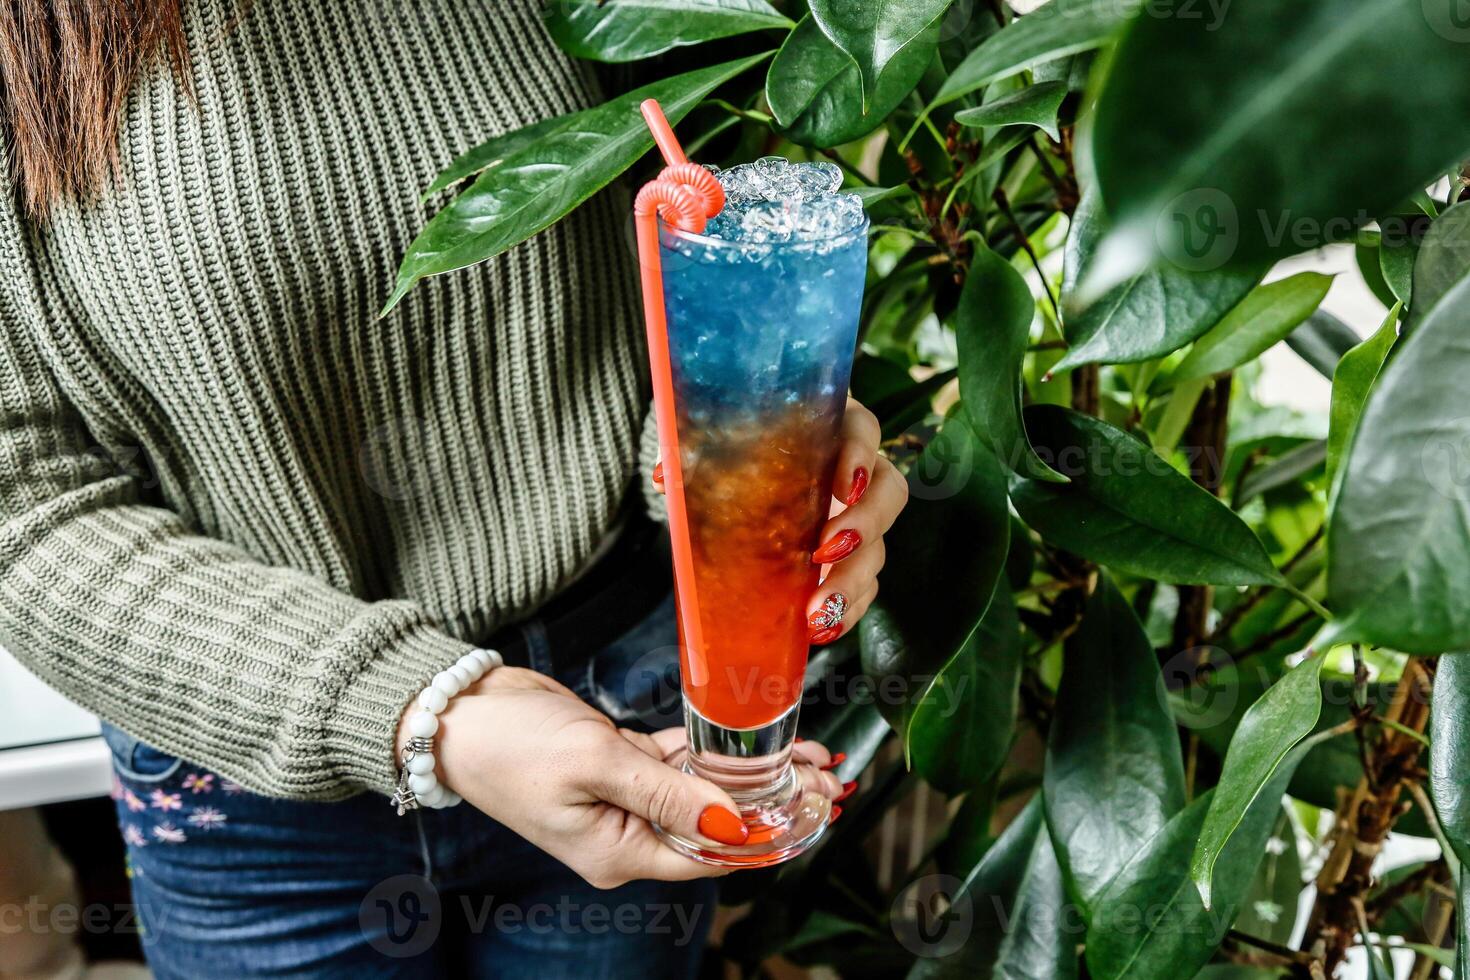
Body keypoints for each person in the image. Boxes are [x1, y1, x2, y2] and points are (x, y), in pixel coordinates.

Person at [0, 2, 908, 978]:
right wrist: (426, 713)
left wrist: (721, 459)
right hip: (246, 769)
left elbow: (667, 251)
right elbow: (26, 503)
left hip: (625, 698)